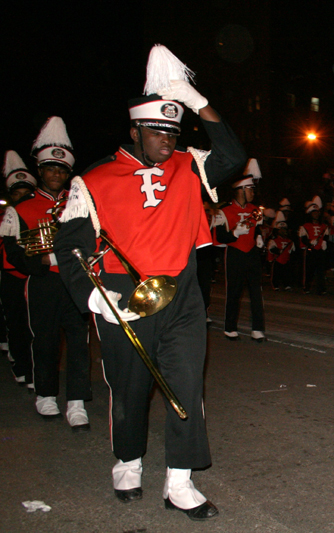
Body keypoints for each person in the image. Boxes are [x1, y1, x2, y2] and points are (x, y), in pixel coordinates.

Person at [54, 45, 246, 519]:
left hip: (181, 293)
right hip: (123, 296)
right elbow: (70, 247)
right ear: (136, 130)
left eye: (174, 130)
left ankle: (179, 481)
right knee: (130, 387)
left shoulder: (189, 164)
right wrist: (94, 301)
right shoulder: (93, 179)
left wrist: (194, 99)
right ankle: (128, 461)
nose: (168, 139)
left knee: (185, 386)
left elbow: (232, 154)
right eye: (159, 130)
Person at [1, 118, 93, 428]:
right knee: (44, 341)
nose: (57, 174)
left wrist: (58, 256)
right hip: (43, 285)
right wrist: (50, 259)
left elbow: (93, 240)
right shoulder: (20, 210)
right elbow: (16, 255)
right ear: (40, 171)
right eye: (51, 169)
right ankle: (46, 394)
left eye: (62, 170)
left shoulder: (78, 204)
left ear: (69, 173)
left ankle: (77, 400)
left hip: (77, 282)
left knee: (80, 342)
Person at [216, 160, 266, 342]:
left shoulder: (255, 210)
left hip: (251, 253)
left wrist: (258, 236)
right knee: (234, 292)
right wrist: (235, 233)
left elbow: (257, 228)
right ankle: (230, 327)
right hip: (235, 253)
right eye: (250, 189)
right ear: (241, 190)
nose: (253, 193)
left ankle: (258, 328)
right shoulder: (225, 211)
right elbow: (220, 236)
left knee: (256, 292)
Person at [1, 151, 36, 388]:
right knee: (16, 323)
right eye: (17, 194)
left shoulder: (37, 212)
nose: (22, 198)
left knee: (34, 326)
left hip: (34, 276)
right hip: (11, 275)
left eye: (27, 194)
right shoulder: (5, 217)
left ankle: (34, 367)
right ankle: (21, 365)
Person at [299, 196, 329, 295]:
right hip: (310, 250)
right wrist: (309, 242)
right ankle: (306, 287)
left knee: (321, 271)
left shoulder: (323, 226)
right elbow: (303, 238)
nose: (316, 214)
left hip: (320, 250)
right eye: (314, 213)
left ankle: (321, 288)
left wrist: (324, 241)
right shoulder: (305, 226)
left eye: (317, 212)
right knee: (309, 270)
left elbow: (326, 235)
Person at [267, 211, 295, 290]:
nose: (284, 231)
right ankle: (275, 285)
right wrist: (277, 251)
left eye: (285, 229)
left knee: (286, 273)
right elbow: (271, 248)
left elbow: (293, 250)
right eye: (282, 229)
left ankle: (286, 284)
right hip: (277, 260)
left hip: (286, 260)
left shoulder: (289, 241)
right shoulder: (274, 240)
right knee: (276, 273)